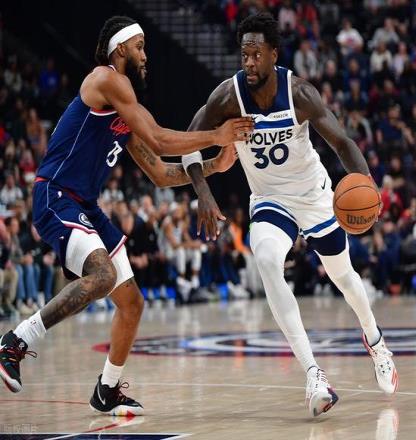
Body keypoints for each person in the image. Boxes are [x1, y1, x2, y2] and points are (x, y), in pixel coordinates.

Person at [0, 15, 252, 416]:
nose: (145, 56)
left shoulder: (126, 110)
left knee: (132, 303)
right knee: (103, 276)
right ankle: (15, 341)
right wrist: (216, 136)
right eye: (139, 47)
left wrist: (214, 166)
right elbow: (160, 139)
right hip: (55, 195)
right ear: (120, 50)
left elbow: (160, 172)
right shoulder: (106, 78)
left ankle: (107, 389)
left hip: (85, 205)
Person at [181, 13, 398, 417]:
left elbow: (342, 142)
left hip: (313, 195)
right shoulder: (228, 97)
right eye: (244, 55)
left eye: (256, 55)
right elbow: (188, 142)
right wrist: (203, 195)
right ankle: (314, 374)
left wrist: (367, 184)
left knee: (344, 278)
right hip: (270, 199)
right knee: (265, 259)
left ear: (273, 55)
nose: (248, 62)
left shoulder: (299, 93)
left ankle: (375, 341)